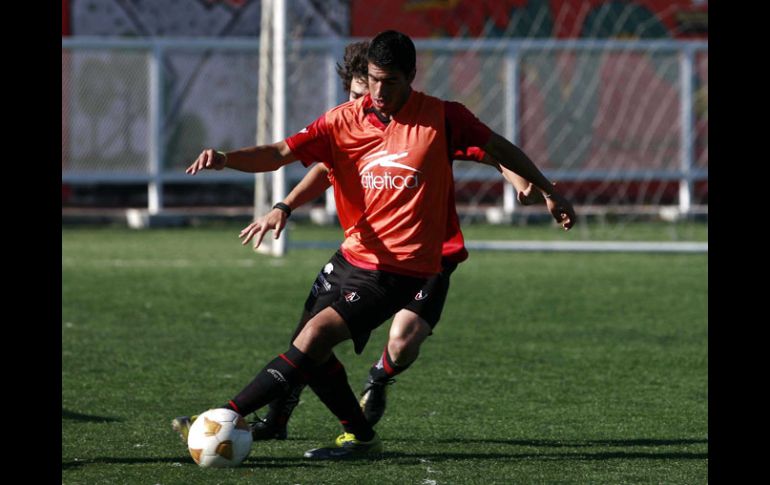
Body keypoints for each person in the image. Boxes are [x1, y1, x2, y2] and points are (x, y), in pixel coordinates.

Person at [176, 30, 575, 460]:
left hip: (401, 269)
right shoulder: (343, 119)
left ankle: (221, 418)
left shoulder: (442, 118)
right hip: (351, 255)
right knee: (309, 346)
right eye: (374, 80)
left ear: (411, 77)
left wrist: (547, 189)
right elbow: (278, 153)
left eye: (390, 82)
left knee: (315, 337)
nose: (379, 92)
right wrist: (227, 158)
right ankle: (358, 436)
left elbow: (497, 148)